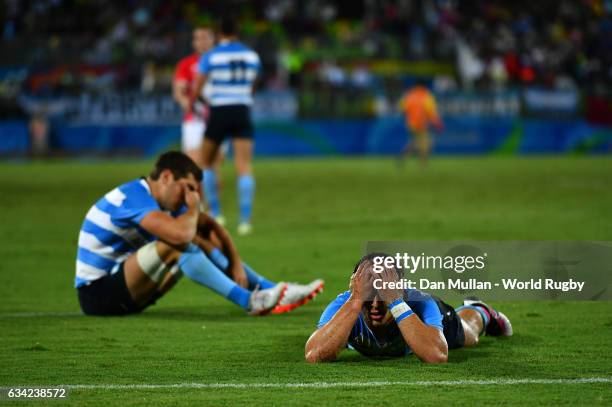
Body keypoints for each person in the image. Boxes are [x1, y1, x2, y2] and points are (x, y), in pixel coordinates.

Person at [75, 151, 323, 316]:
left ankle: (271, 288)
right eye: (187, 189)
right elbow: (181, 237)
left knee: (200, 236)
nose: (190, 196)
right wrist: (194, 207)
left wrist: (236, 264)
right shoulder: (133, 197)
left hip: (129, 291)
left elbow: (214, 228)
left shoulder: (159, 203)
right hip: (97, 294)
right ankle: (250, 302)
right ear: (166, 177)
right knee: (178, 243)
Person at [305, 254, 512, 363]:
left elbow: (436, 356)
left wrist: (395, 301)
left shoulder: (421, 303)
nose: (376, 305)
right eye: (369, 298)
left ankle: (479, 309)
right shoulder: (346, 304)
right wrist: (356, 300)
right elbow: (314, 354)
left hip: (428, 326)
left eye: (382, 297)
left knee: (469, 336)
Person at [192, 15, 260, 236]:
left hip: (219, 111)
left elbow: (197, 89)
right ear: (238, 32)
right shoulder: (251, 56)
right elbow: (253, 85)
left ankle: (217, 214)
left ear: (219, 33)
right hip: (242, 111)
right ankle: (245, 221)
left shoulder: (211, 56)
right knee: (244, 166)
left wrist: (204, 103)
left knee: (206, 162)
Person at [398, 83, 443, 167]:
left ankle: (403, 156)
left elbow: (402, 109)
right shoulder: (427, 96)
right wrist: (437, 122)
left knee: (416, 142)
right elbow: (431, 111)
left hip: (411, 124)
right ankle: (423, 164)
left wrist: (409, 116)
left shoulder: (409, 96)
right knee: (426, 144)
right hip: (422, 123)